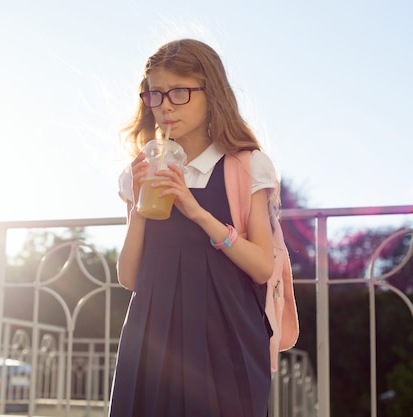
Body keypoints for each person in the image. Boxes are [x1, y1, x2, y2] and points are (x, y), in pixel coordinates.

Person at [109, 38, 280, 417]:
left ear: (211, 92)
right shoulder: (139, 170)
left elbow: (263, 266)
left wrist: (196, 210)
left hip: (228, 333)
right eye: (155, 95)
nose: (165, 105)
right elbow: (129, 276)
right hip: (154, 335)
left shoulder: (246, 165)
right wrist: (137, 204)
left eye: (180, 92)